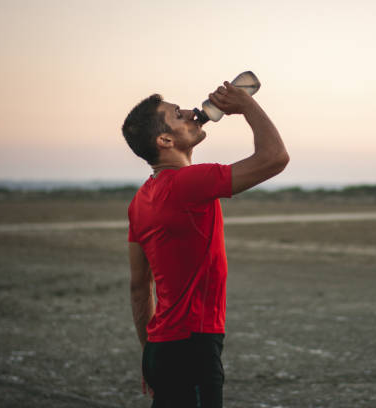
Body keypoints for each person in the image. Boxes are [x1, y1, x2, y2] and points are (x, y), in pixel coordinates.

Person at [121, 80, 289, 408]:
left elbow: (139, 288)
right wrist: (246, 106)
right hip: (193, 347)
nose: (190, 112)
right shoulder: (189, 183)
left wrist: (149, 357)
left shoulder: (140, 200)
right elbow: (275, 158)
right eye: (177, 114)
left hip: (161, 346)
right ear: (165, 140)